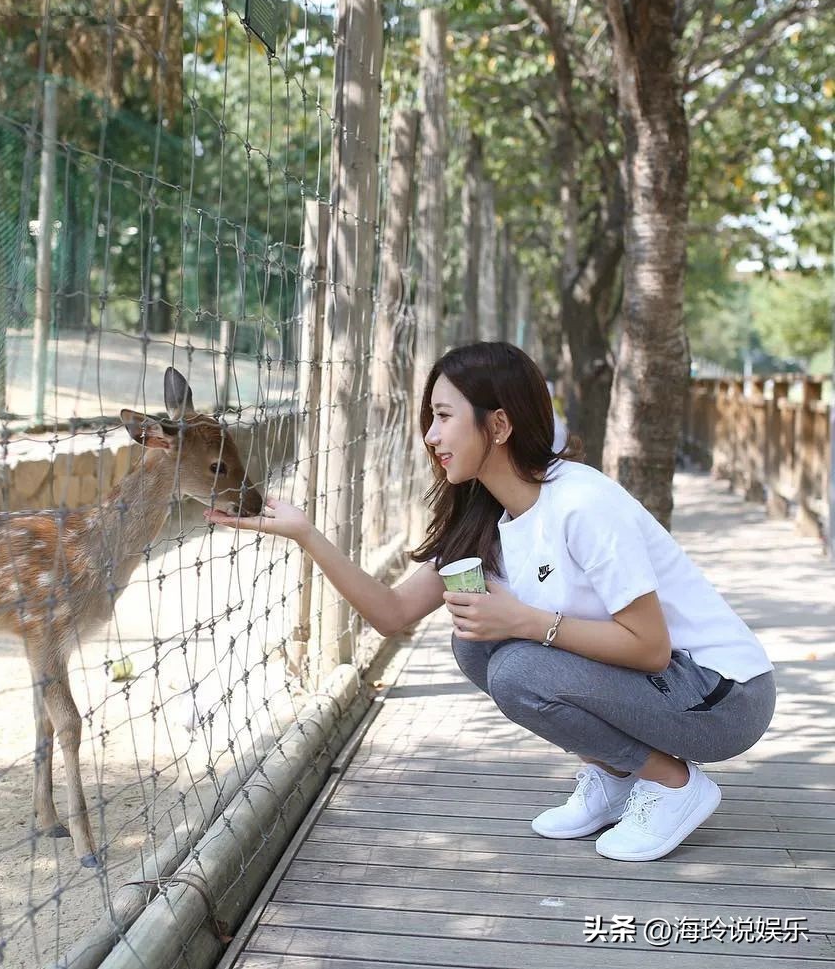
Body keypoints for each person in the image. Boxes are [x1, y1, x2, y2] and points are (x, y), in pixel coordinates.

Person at [204, 341, 776, 862]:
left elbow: (651, 648)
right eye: (430, 418)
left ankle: (673, 783)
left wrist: (528, 621)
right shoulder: (487, 515)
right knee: (476, 646)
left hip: (722, 697)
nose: (430, 435)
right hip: (666, 689)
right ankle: (617, 776)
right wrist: (304, 533)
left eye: (444, 417)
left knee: (517, 665)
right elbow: (392, 613)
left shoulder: (581, 504)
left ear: (498, 424)